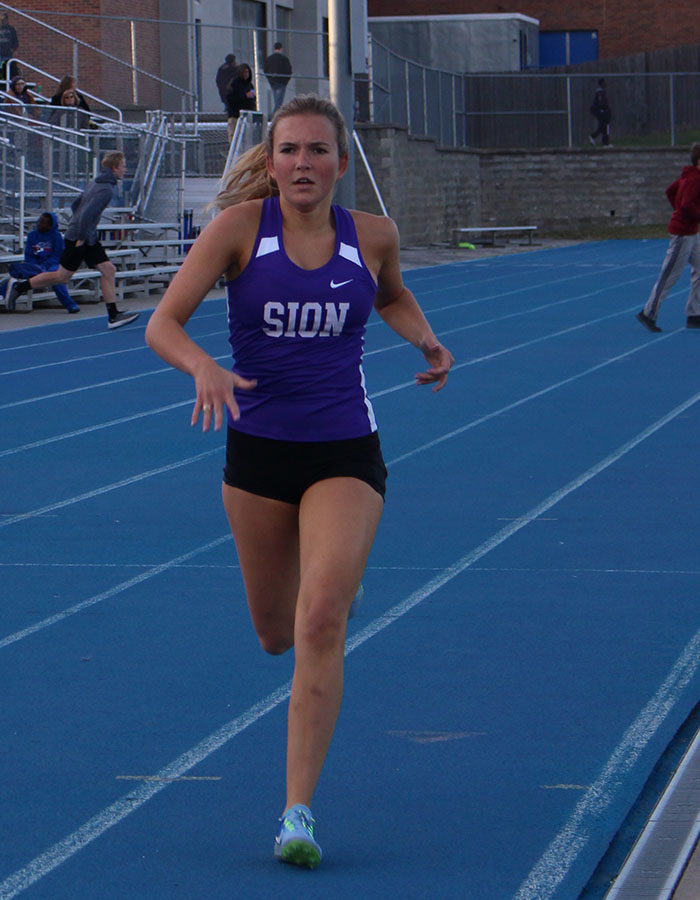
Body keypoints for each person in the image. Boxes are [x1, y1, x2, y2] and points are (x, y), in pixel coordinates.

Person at [144, 94, 454, 869]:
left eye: (318, 151)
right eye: (290, 150)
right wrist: (204, 367)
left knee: (320, 620)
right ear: (272, 161)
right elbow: (163, 322)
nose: (303, 164)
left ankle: (297, 813)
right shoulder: (238, 231)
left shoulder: (372, 237)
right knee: (277, 631)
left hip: (345, 448)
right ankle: (328, 581)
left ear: (342, 165)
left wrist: (426, 339)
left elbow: (391, 295)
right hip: (258, 454)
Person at [6, 151, 139, 330]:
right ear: (114, 168)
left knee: (108, 270)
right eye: (123, 166)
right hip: (81, 237)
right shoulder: (106, 190)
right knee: (62, 276)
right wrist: (80, 237)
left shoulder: (96, 182)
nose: (125, 169)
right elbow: (86, 214)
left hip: (85, 235)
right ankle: (20, 287)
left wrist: (79, 228)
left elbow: (77, 204)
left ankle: (113, 315)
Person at [636, 142, 700, 332]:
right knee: (670, 275)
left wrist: (679, 210)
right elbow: (687, 205)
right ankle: (648, 313)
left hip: (691, 232)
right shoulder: (695, 178)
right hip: (683, 234)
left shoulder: (688, 176)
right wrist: (684, 214)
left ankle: (694, 313)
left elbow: (671, 191)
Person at [1, 212, 80, 313]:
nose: (39, 224)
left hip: (52, 264)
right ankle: (2, 296)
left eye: (43, 223)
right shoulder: (32, 235)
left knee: (55, 276)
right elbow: (29, 255)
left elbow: (57, 255)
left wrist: (45, 266)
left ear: (50, 225)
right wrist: (36, 265)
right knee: (17, 275)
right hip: (35, 265)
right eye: (39, 221)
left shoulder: (56, 236)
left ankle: (70, 304)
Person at [225, 63, 256, 142]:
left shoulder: (250, 85)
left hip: (247, 116)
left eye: (248, 72)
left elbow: (252, 99)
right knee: (234, 136)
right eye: (244, 72)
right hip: (235, 115)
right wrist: (244, 95)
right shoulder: (234, 84)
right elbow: (230, 98)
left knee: (246, 138)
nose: (246, 74)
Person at [263, 42, 293, 113]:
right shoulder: (284, 59)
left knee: (277, 100)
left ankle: (276, 115)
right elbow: (289, 71)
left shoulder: (269, 59)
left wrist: (270, 79)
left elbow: (265, 70)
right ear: (281, 48)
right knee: (279, 102)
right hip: (282, 83)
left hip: (273, 82)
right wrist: (285, 81)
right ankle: (275, 115)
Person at [589, 78, 612, 147]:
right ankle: (593, 136)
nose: (606, 84)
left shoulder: (602, 92)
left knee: (604, 127)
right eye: (604, 83)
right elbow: (601, 103)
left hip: (602, 111)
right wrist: (603, 110)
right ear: (601, 84)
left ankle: (605, 143)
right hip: (600, 112)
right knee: (603, 126)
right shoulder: (600, 93)